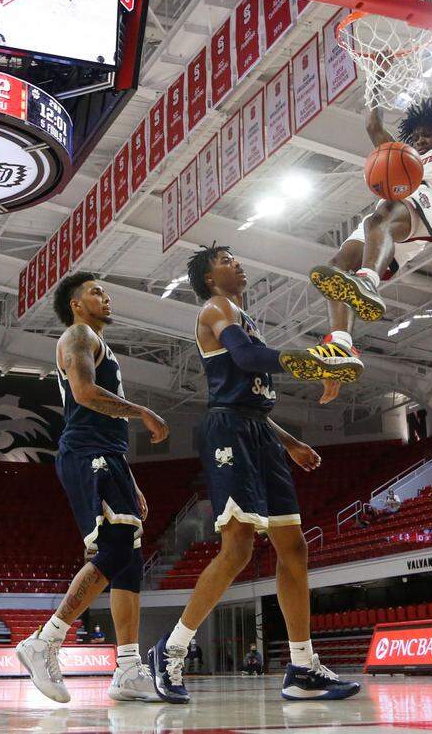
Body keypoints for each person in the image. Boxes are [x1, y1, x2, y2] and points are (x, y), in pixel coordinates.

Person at [148, 245, 361, 705]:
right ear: (209, 278)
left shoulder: (245, 315)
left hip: (258, 430)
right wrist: (315, 359)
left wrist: (290, 442)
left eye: (235, 257)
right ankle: (172, 648)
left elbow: (255, 396)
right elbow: (245, 360)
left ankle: (303, 667)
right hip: (227, 429)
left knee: (294, 548)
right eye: (225, 260)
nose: (237, 262)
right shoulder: (215, 308)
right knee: (239, 546)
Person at [16, 273, 169, 704]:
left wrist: (130, 476)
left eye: (105, 290)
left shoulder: (95, 340)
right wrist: (141, 410)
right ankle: (44, 641)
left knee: (130, 561)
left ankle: (127, 669)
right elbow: (84, 393)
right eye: (96, 291)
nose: (106, 296)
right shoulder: (78, 334)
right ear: (76, 305)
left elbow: (105, 418)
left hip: (108, 455)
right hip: (87, 453)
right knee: (115, 550)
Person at [307, 61, 432, 404]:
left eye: (425, 134)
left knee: (381, 214)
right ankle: (341, 343)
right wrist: (376, 76)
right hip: (389, 225)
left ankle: (368, 282)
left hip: (429, 206)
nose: (418, 140)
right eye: (414, 137)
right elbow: (372, 124)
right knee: (336, 266)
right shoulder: (406, 157)